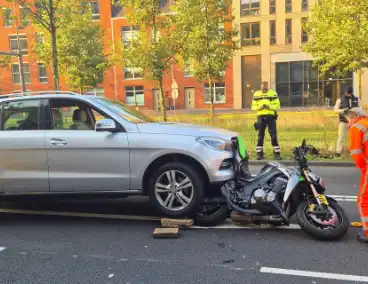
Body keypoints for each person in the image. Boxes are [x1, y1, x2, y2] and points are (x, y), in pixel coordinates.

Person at [345, 107, 368, 244]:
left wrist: (364, 169)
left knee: (363, 200)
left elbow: (356, 153)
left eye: (349, 119)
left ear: (354, 117)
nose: (348, 122)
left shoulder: (356, 127)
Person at [251, 81, 281, 160]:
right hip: (260, 117)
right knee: (260, 136)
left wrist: (269, 107)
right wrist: (260, 107)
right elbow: (253, 107)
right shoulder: (256, 94)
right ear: (260, 87)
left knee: (273, 136)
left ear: (267, 86)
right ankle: (259, 154)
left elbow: (277, 105)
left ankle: (277, 153)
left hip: (270, 117)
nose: (264, 89)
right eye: (262, 88)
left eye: (265, 88)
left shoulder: (273, 93)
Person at [334, 86, 360, 157]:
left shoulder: (356, 99)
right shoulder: (340, 100)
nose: (348, 94)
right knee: (341, 137)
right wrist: (342, 110)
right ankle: (338, 152)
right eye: (347, 93)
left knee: (354, 137)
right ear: (345, 92)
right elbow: (335, 110)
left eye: (349, 93)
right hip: (343, 122)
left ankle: (355, 152)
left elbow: (359, 109)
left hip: (354, 122)